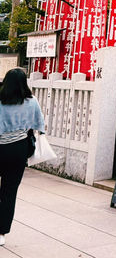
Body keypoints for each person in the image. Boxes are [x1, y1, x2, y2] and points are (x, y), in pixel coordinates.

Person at [0, 68, 45, 247]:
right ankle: (1, 232)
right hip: (18, 150)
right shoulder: (31, 101)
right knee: (9, 192)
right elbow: (39, 124)